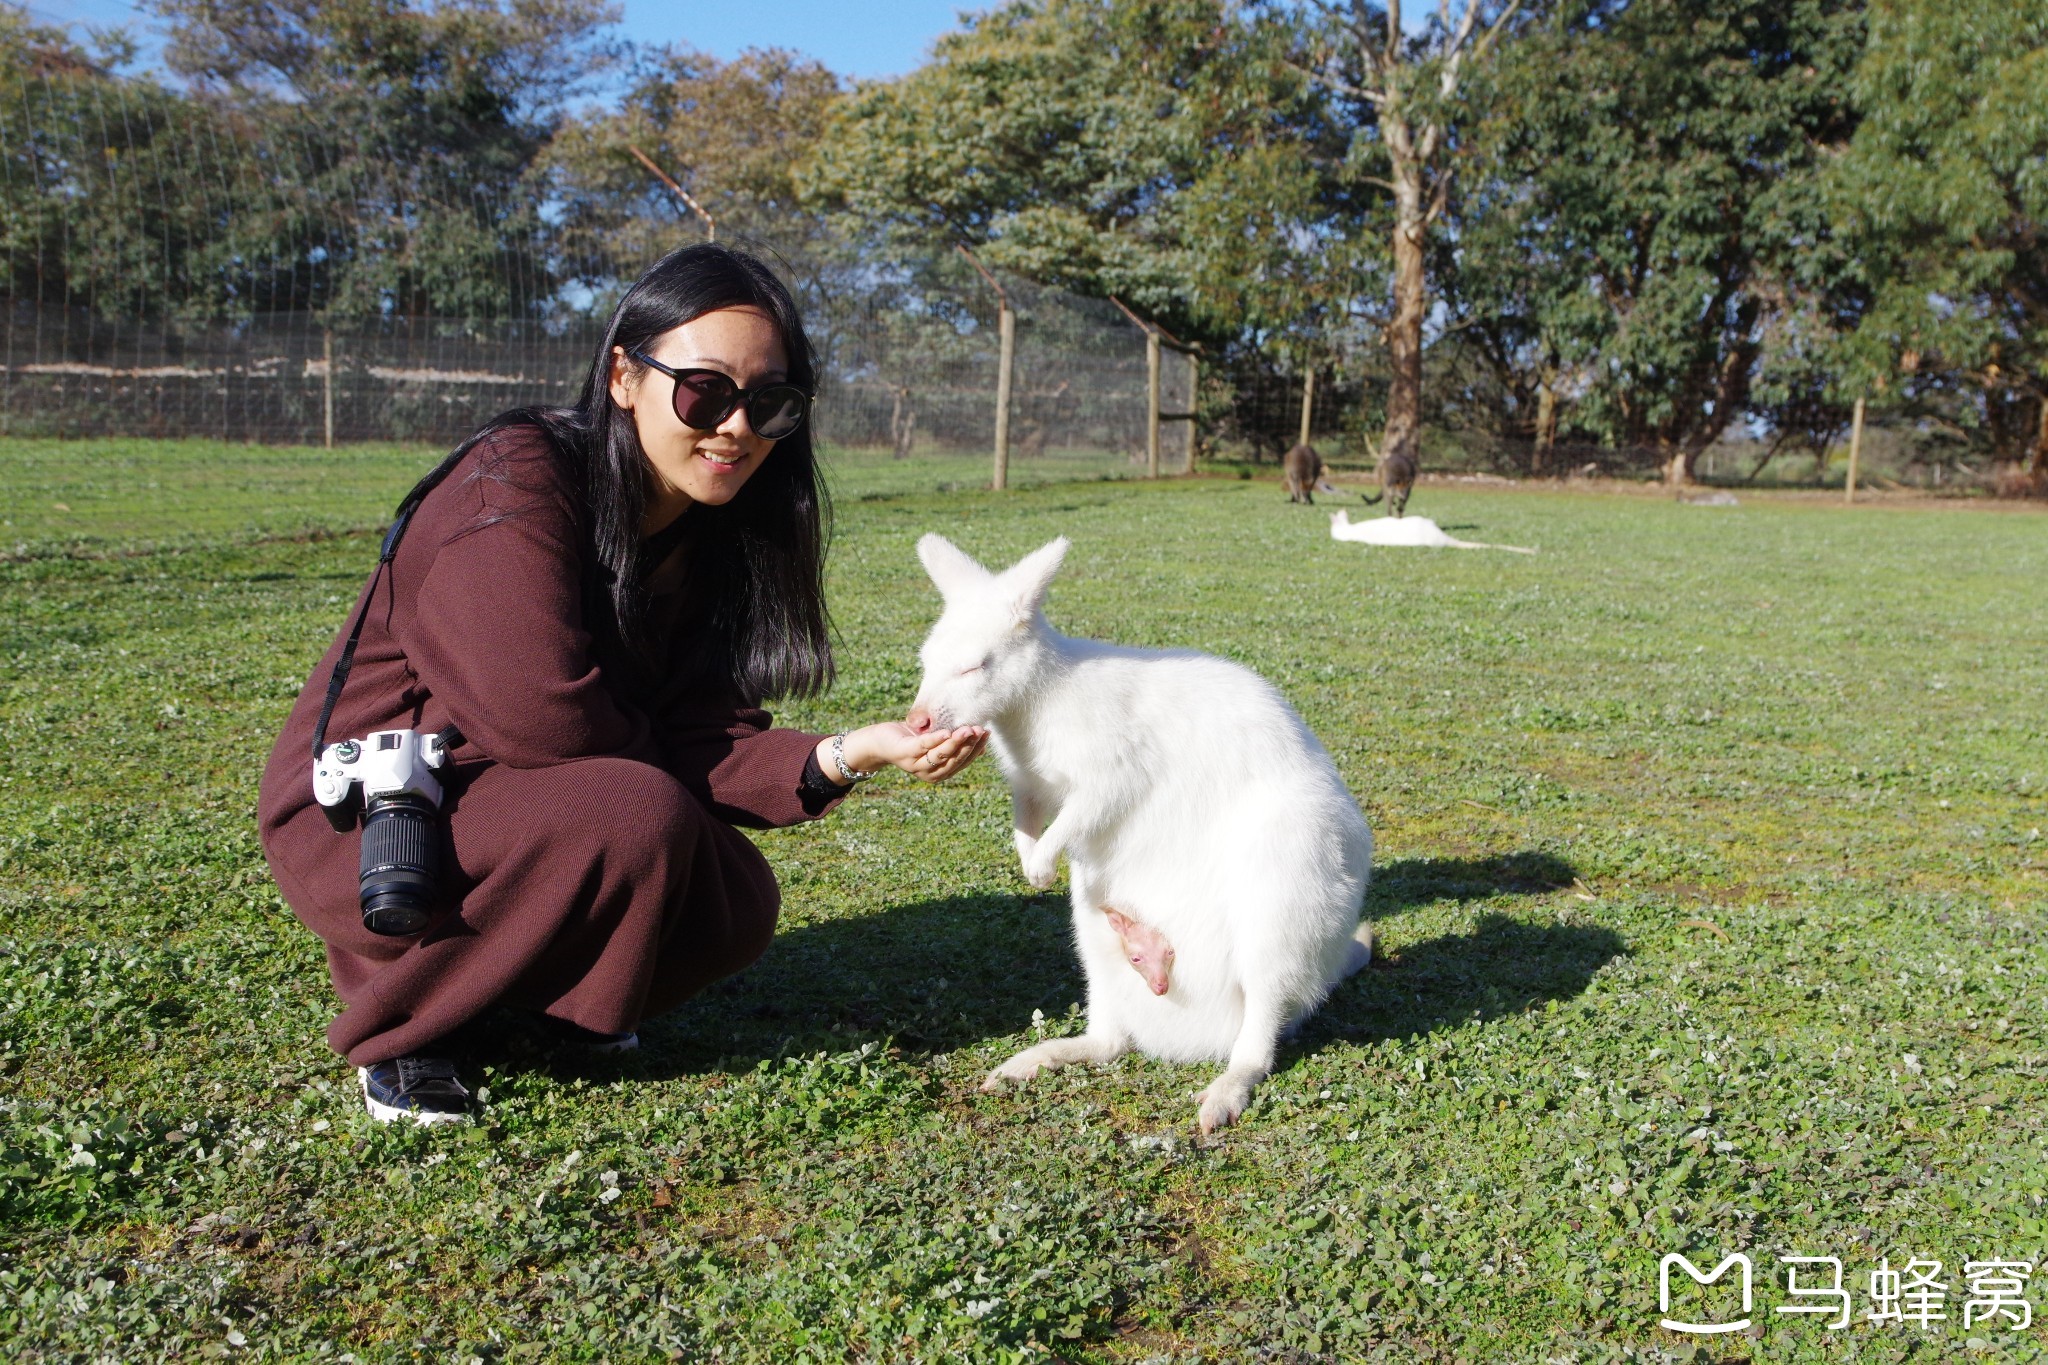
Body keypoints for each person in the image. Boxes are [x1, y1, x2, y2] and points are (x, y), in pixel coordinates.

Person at [256, 244, 988, 1124]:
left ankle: (540, 998)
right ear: (621, 376)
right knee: (639, 814)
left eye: (771, 404)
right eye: (704, 391)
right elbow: (541, 717)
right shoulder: (513, 481)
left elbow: (702, 725)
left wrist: (853, 751)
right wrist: (677, 786)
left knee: (733, 902)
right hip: (369, 817)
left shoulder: (711, 533)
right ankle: (407, 1029)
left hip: (521, 801)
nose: (737, 428)